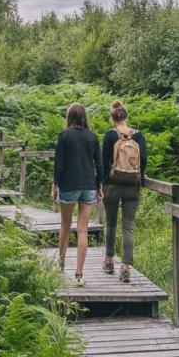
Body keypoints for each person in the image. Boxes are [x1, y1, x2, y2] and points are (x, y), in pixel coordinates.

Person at [52, 103, 102, 286]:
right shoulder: (93, 136)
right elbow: (99, 164)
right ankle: (79, 274)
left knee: (65, 224)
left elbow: (59, 163)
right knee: (83, 229)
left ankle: (61, 264)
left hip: (68, 185)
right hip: (88, 185)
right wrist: (99, 186)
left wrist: (55, 185)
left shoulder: (64, 136)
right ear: (84, 117)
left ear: (69, 117)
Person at [101, 99, 146, 283]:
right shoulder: (138, 136)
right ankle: (126, 268)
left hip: (112, 186)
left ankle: (109, 261)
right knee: (128, 227)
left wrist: (103, 183)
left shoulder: (110, 135)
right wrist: (139, 179)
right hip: (132, 188)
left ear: (112, 118)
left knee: (111, 224)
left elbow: (104, 162)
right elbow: (143, 161)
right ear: (126, 116)